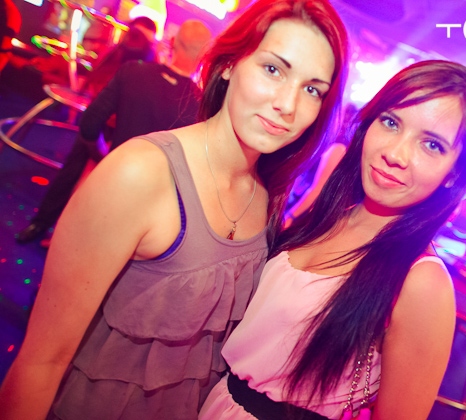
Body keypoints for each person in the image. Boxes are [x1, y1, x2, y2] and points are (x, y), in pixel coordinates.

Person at [0, 0, 348, 418]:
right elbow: (41, 362)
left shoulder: (267, 198)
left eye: (312, 89)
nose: (288, 104)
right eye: (273, 69)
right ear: (229, 64)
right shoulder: (141, 173)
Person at [199, 59, 466, 419]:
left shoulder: (423, 282)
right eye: (391, 123)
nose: (395, 154)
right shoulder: (329, 217)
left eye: (431, 145)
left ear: (454, 175)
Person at [15, 19, 209, 244]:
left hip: (113, 174)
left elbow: (90, 123)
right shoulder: (200, 105)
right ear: (204, 56)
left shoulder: (134, 72)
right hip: (150, 201)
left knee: (77, 181)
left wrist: (103, 155)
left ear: (173, 42)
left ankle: (43, 227)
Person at [284, 103, 357, 227]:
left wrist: (291, 216)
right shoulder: (326, 143)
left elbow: (317, 188)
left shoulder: (337, 148)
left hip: (300, 207)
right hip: (295, 200)